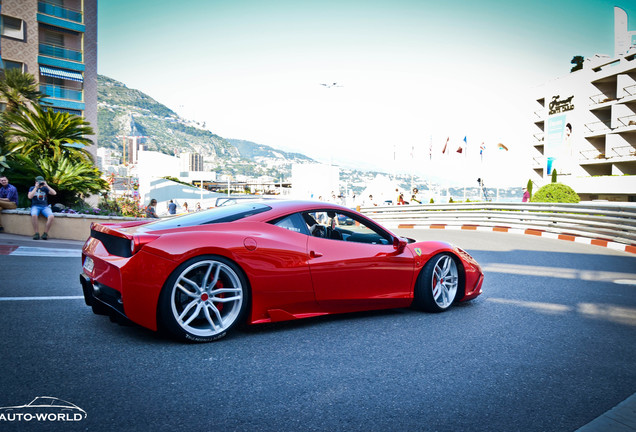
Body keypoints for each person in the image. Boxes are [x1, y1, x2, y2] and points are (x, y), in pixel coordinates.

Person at [28, 175, 56, 240]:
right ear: (36, 182)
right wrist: (36, 187)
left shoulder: (45, 189)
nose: (40, 183)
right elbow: (30, 197)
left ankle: (45, 233)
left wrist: (47, 185)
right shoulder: (32, 188)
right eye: (38, 182)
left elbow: (54, 193)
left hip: (44, 206)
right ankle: (36, 233)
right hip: (35, 206)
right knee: (34, 215)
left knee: (51, 216)